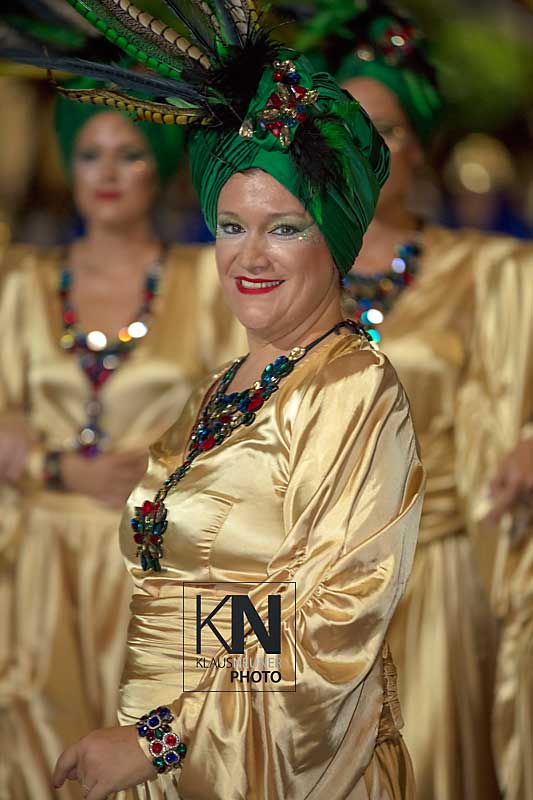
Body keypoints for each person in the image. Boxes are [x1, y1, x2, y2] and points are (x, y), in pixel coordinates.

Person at [15, 1, 430, 797]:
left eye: (285, 228)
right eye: (231, 226)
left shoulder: (350, 387)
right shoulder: (218, 385)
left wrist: (160, 739)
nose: (250, 256)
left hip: (273, 767)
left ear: (336, 237)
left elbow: (330, 625)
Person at [297, 2, 533, 798]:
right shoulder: (279, 269)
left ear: (419, 145)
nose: (365, 148)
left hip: (434, 577)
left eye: (387, 130)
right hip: (311, 587)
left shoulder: (489, 270)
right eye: (345, 128)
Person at [0, 78, 245, 799]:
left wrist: (165, 461)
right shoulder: (20, 281)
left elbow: (246, 413)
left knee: (148, 749)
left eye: (129, 154)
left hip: (153, 563)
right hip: (39, 567)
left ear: (160, 167)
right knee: (36, 748)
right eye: (90, 155)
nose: (107, 173)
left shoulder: (206, 281)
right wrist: (53, 466)